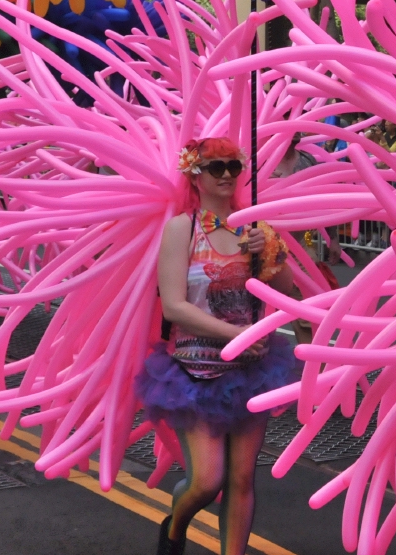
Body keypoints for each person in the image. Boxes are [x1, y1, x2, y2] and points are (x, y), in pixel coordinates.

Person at [139, 137, 297, 555]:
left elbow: (287, 290)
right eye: (216, 167)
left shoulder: (255, 228)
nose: (226, 174)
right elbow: (174, 306)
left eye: (233, 166)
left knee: (242, 480)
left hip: (249, 373)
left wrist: (272, 252)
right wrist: (237, 337)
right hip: (194, 373)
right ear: (196, 175)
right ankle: (175, 526)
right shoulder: (182, 228)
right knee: (207, 482)